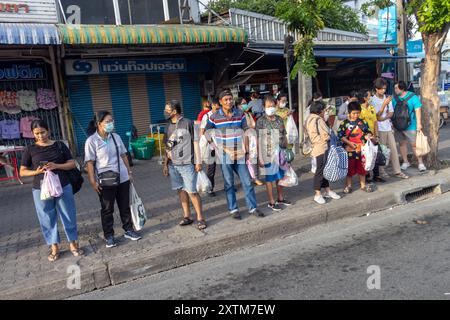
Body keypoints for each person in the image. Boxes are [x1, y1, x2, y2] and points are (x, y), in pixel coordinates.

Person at [20, 120, 83, 262]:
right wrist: (36, 171)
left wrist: (56, 165)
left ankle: (73, 243)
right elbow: (22, 171)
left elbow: (72, 163)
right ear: (33, 134)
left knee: (68, 214)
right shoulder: (30, 149)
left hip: (63, 185)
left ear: (48, 130)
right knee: (47, 218)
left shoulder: (60, 145)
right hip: (41, 189)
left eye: (42, 132)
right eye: (36, 133)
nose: (40, 136)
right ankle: (54, 246)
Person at [85, 111, 142, 248]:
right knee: (107, 209)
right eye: (108, 122)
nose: (111, 124)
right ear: (99, 124)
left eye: (112, 121)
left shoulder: (116, 137)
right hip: (105, 180)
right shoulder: (91, 141)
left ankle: (128, 229)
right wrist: (92, 181)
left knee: (124, 206)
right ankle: (109, 236)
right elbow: (90, 163)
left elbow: (124, 155)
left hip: (122, 177)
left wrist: (129, 172)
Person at [205, 89, 264, 219]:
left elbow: (246, 131)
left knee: (247, 181)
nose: (229, 101)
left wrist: (247, 150)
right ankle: (233, 209)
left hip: (240, 153)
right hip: (225, 155)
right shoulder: (214, 117)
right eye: (226, 99)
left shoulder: (240, 113)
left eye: (230, 99)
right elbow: (206, 132)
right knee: (229, 183)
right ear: (220, 102)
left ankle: (253, 207)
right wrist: (215, 146)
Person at [163, 100, 206, 230]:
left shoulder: (188, 123)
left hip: (187, 164)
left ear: (174, 111)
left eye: (167, 110)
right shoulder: (168, 126)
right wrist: (165, 164)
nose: (165, 112)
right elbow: (167, 146)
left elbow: (196, 142)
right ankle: (187, 216)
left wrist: (198, 161)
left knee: (192, 191)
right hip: (173, 165)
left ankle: (200, 218)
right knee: (181, 190)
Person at [256, 96, 292, 211]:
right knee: (270, 178)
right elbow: (258, 140)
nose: (271, 108)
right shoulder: (260, 121)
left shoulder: (279, 119)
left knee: (280, 177)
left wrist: (287, 151)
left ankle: (280, 198)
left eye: (272, 106)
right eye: (268, 106)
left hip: (280, 153)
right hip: (268, 154)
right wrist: (259, 157)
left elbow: (284, 135)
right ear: (263, 107)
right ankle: (271, 202)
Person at [371, 78, 409, 179]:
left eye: (385, 88)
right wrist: (383, 105)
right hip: (379, 129)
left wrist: (383, 118)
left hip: (388, 127)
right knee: (382, 151)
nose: (384, 90)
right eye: (382, 89)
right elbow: (375, 116)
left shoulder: (388, 98)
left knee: (393, 149)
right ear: (376, 89)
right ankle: (382, 171)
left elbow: (391, 112)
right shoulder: (372, 100)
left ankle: (397, 171)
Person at [306, 101, 341, 204]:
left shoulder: (309, 118)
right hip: (322, 148)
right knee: (320, 171)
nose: (325, 112)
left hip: (315, 148)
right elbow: (326, 135)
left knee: (323, 170)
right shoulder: (318, 120)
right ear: (319, 111)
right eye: (324, 110)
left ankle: (327, 190)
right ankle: (317, 194)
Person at [338, 101, 374, 194]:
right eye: (354, 113)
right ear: (349, 113)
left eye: (358, 113)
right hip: (349, 150)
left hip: (361, 150)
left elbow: (368, 132)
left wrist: (368, 136)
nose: (356, 115)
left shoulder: (363, 122)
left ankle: (363, 185)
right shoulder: (344, 123)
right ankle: (349, 186)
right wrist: (349, 143)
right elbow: (340, 136)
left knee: (362, 168)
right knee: (349, 169)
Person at [393, 80, 427, 172]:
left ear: (402, 88)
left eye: (396, 88)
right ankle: (405, 162)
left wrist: (419, 124)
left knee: (415, 145)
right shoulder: (394, 98)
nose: (395, 89)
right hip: (398, 126)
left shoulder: (413, 97)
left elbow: (417, 110)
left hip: (411, 125)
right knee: (402, 144)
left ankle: (420, 163)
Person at [357, 89, 384, 183]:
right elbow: (359, 124)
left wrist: (376, 135)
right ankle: (367, 175)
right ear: (365, 98)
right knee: (366, 156)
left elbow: (375, 122)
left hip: (373, 135)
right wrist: (365, 136)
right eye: (369, 96)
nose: (371, 97)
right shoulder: (359, 109)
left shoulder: (372, 108)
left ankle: (376, 175)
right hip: (364, 137)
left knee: (375, 154)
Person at [200, 98, 221, 197]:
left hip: (222, 145)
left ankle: (229, 186)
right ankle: (210, 189)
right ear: (212, 105)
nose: (217, 110)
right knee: (211, 168)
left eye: (219, 108)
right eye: (216, 108)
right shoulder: (206, 116)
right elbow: (202, 131)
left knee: (225, 167)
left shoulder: (222, 115)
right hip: (211, 146)